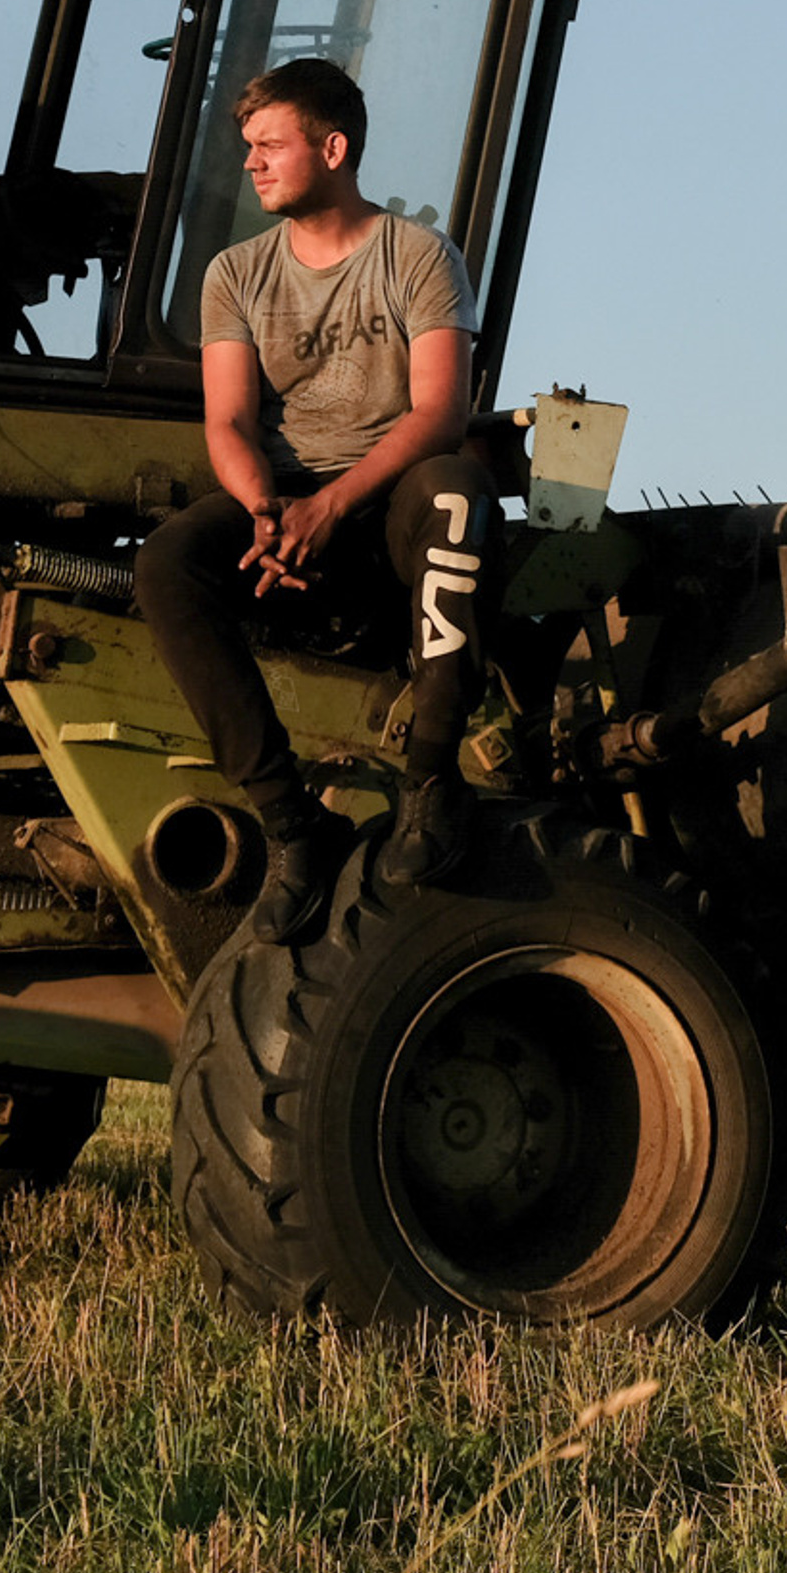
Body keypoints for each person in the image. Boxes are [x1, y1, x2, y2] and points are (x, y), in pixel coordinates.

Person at [134, 59, 500, 944]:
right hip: (287, 497)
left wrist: (331, 508)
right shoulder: (236, 273)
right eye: (248, 147)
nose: (252, 163)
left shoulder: (418, 255)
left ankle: (432, 785)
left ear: (332, 148)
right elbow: (227, 420)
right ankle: (294, 827)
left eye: (270, 145)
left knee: (457, 491)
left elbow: (439, 413)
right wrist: (265, 509)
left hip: (386, 495)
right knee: (168, 563)